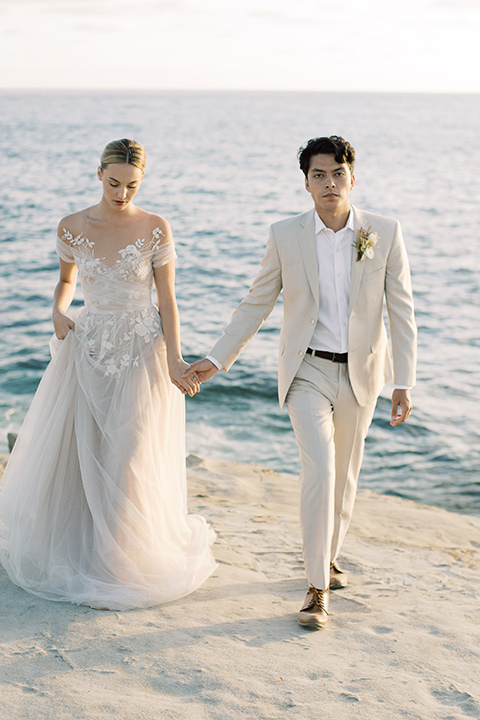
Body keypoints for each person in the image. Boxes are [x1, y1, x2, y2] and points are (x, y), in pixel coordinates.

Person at [183, 135, 417, 629]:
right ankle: (316, 588)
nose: (329, 183)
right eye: (318, 175)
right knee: (320, 470)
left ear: (352, 177)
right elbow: (257, 302)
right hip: (305, 368)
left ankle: (329, 557)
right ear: (306, 182)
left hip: (361, 373)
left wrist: (403, 381)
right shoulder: (285, 235)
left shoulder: (386, 232)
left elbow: (402, 312)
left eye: (337, 174)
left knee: (346, 476)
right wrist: (216, 358)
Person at [0, 138, 216, 610]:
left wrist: (176, 359)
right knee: (83, 451)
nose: (122, 193)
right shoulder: (73, 226)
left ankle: (118, 559)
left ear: (143, 181)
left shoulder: (156, 228)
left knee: (130, 451)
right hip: (91, 343)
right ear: (99, 174)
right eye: (114, 183)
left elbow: (168, 299)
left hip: (142, 347)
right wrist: (58, 311)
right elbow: (66, 280)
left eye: (132, 185)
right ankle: (86, 551)